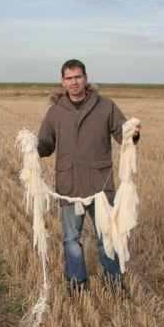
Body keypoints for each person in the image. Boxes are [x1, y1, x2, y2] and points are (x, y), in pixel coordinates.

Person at [36, 59, 140, 292]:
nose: (74, 82)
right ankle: (77, 282)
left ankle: (113, 281)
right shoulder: (55, 112)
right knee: (71, 239)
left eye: (78, 77)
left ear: (85, 78)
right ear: (62, 82)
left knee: (108, 238)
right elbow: (46, 145)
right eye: (69, 78)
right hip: (69, 185)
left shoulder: (105, 106)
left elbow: (122, 135)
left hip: (100, 185)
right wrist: (31, 147)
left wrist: (133, 134)